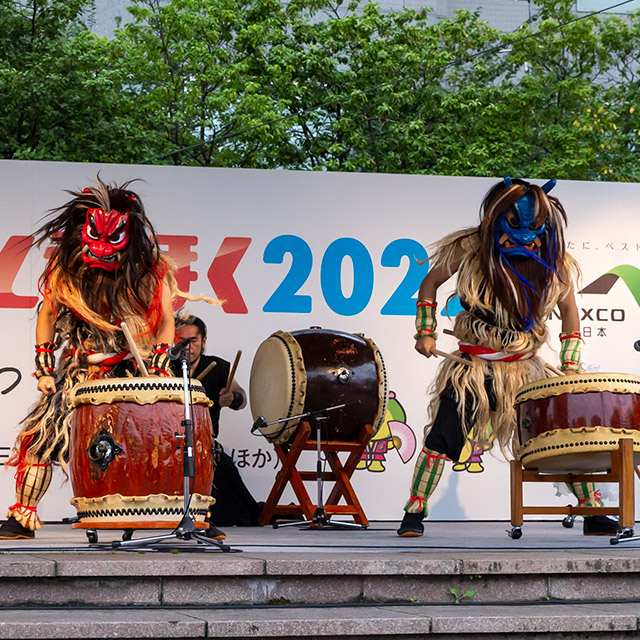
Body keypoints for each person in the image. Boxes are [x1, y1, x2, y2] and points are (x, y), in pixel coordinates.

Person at [397, 176, 617, 538]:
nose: (524, 237)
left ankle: (592, 512)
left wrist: (571, 360)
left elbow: (570, 311)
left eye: (533, 228)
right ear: (497, 218)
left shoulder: (553, 258)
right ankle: (414, 511)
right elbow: (430, 282)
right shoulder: (470, 245)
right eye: (515, 226)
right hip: (473, 368)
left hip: (524, 368)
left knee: (559, 435)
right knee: (443, 435)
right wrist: (425, 331)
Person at [0, 178, 179, 540]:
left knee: (158, 441)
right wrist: (45, 367)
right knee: (41, 438)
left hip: (131, 371)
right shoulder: (66, 272)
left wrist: (159, 361)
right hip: (81, 370)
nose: (101, 249)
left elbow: (165, 321)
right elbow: (48, 314)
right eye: (95, 238)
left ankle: (177, 514)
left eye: (113, 240)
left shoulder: (148, 273)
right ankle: (22, 517)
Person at [172, 315, 262, 540]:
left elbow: (241, 398)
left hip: (205, 444)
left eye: (192, 340)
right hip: (170, 443)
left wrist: (233, 398)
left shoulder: (218, 367)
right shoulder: (165, 367)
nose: (187, 347)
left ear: (203, 341)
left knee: (227, 472)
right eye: (181, 341)